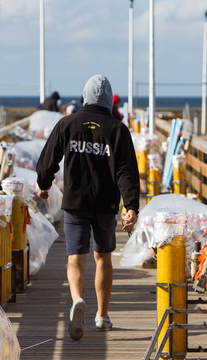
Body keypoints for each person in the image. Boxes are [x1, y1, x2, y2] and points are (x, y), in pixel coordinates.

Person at [36, 74, 140, 340]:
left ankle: (77, 300)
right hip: (105, 204)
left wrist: (44, 184)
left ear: (85, 96)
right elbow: (126, 171)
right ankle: (102, 317)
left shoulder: (68, 124)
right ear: (108, 100)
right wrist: (131, 207)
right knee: (103, 257)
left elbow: (48, 160)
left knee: (75, 259)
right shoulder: (118, 130)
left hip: (75, 203)